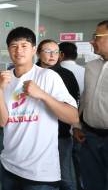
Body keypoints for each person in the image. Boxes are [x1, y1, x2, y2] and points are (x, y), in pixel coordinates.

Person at [0, 26, 79, 190]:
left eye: (24, 46)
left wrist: (43, 95)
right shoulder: (2, 79)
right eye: (14, 46)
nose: (19, 50)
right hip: (9, 167)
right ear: (8, 50)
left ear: (33, 50)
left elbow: (73, 117)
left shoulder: (48, 76)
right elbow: (2, 122)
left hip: (40, 173)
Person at [37, 39, 79, 190]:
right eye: (47, 51)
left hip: (61, 135)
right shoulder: (31, 74)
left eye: (56, 52)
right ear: (38, 53)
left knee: (65, 177)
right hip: (35, 135)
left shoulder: (67, 75)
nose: (52, 55)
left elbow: (73, 107)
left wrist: (75, 127)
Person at [76, 20, 108, 190]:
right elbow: (86, 97)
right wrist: (77, 125)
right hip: (90, 137)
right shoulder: (91, 66)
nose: (91, 41)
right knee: (91, 183)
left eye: (96, 36)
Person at [58, 41, 85, 190]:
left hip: (63, 126)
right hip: (82, 126)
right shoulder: (86, 71)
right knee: (81, 164)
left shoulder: (57, 72)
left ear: (61, 54)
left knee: (63, 168)